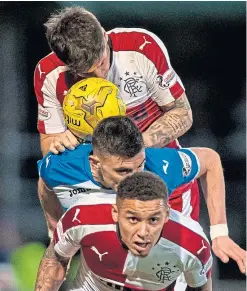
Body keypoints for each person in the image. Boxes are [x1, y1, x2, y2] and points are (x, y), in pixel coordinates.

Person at [35, 5, 201, 222]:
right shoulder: (48, 74)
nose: (100, 75)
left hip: (163, 182)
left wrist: (135, 146)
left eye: (101, 62)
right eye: (86, 73)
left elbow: (183, 113)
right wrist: (63, 142)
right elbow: (49, 152)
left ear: (104, 35)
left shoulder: (142, 48)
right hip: (101, 192)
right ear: (67, 65)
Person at [38, 116, 246, 274]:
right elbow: (45, 183)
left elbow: (210, 160)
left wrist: (220, 233)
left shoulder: (160, 166)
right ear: (96, 163)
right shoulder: (60, 166)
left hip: (159, 261)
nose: (135, 179)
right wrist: (53, 227)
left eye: (140, 166)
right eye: (123, 171)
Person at [35, 171, 213, 291]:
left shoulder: (193, 245)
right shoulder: (82, 216)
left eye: (153, 220)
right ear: (115, 213)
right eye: (133, 219)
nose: (143, 232)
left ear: (167, 215)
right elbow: (56, 259)